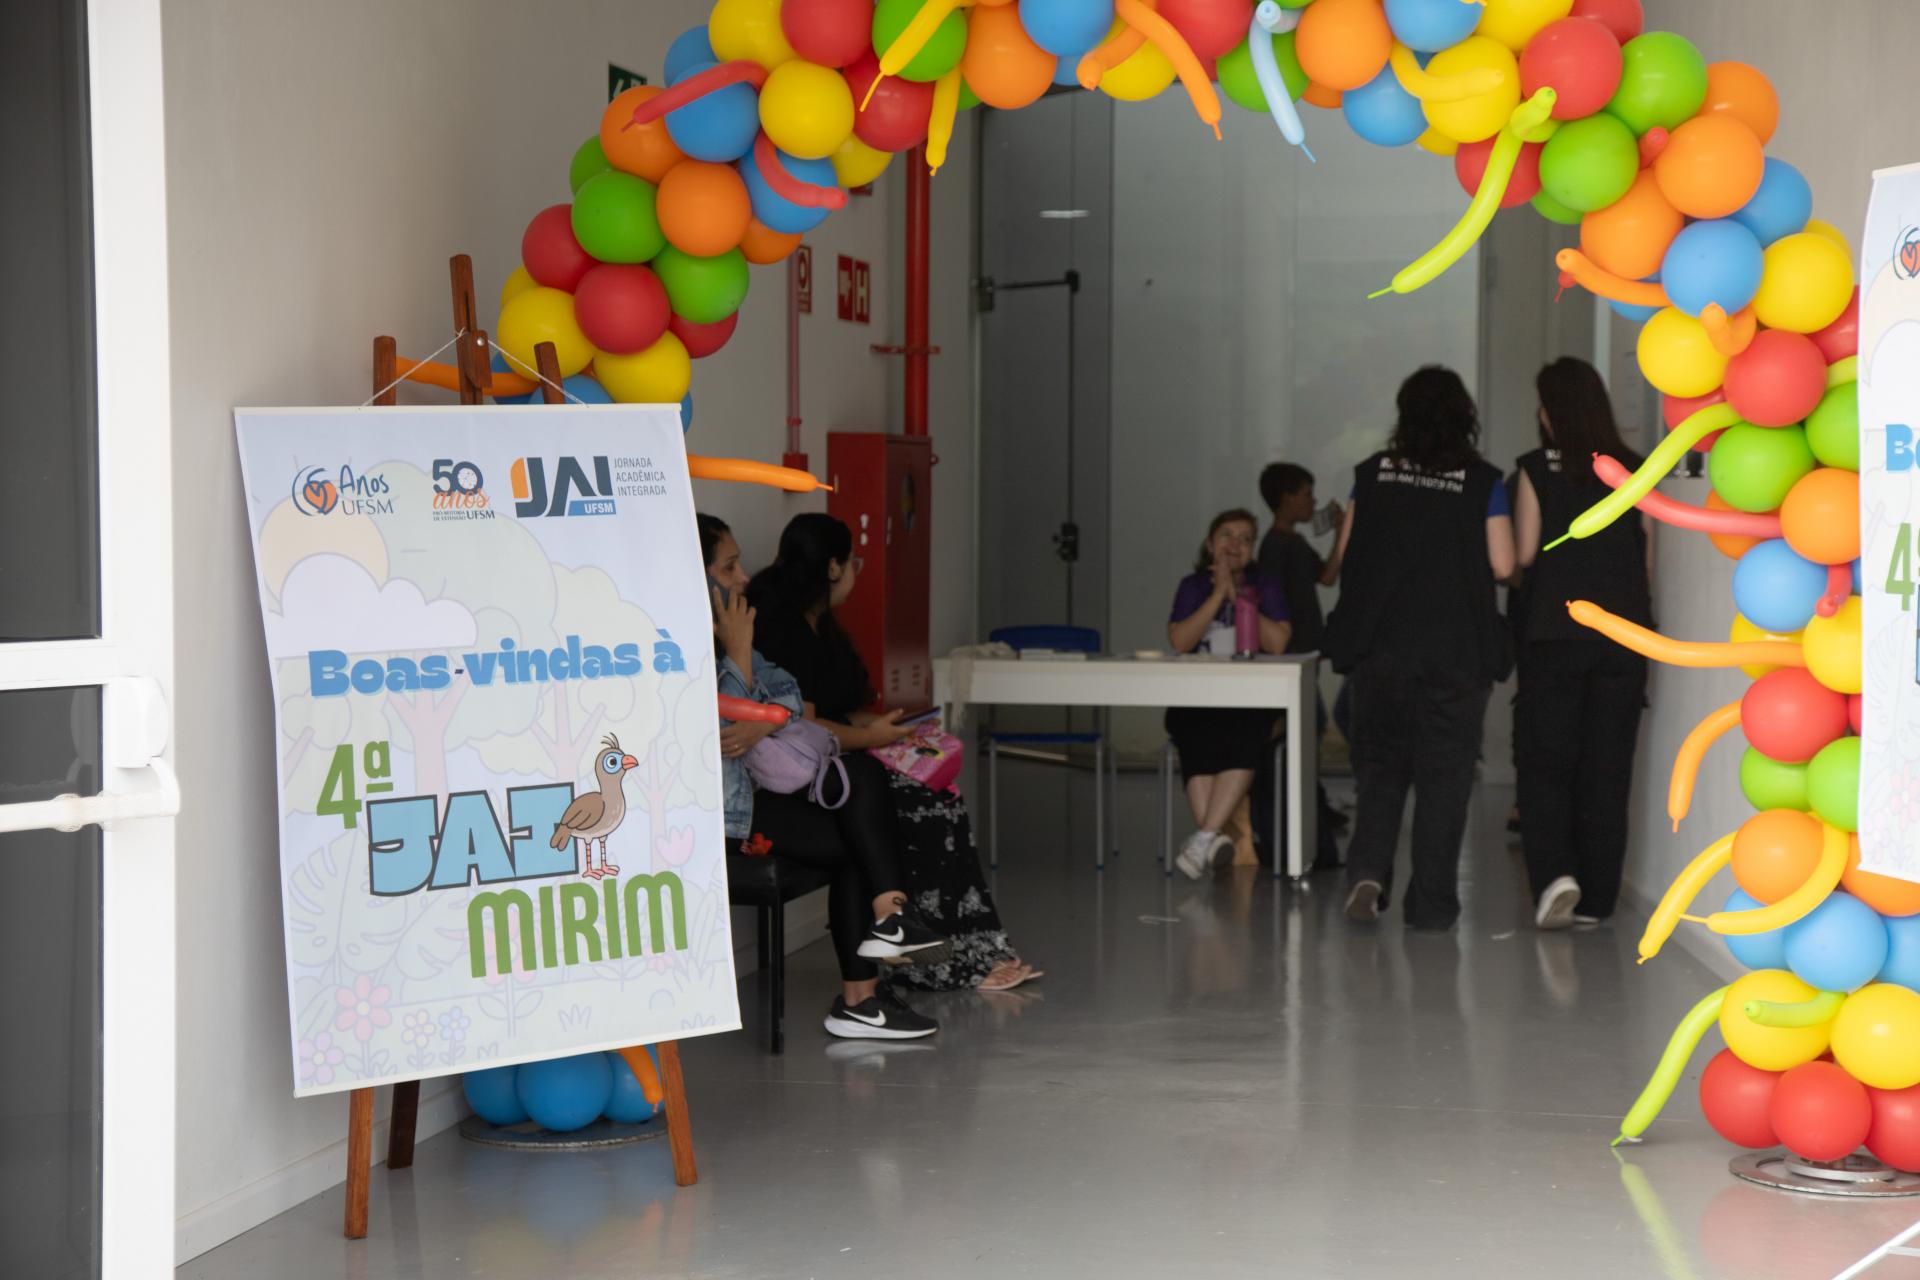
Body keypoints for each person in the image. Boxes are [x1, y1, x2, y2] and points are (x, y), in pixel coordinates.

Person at [746, 513, 1041, 993]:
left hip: (838, 762)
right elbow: (802, 725)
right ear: (834, 567)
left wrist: (895, 731)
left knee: (942, 796)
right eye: (855, 562)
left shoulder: (820, 625)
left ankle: (971, 948)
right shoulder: (780, 628)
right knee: (917, 807)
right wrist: (874, 738)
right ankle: (937, 960)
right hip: (802, 777)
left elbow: (844, 712)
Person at [701, 514, 949, 1041]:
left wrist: (759, 716)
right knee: (858, 835)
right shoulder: (669, 645)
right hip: (725, 813)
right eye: (729, 566)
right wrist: (743, 662)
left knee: (859, 776)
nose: (744, 576)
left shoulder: (731, 631)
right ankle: (863, 992)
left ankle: (889, 918)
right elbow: (720, 731)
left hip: (768, 795)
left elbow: (790, 698)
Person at [1323, 366, 1516, 931]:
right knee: (1445, 781)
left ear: (1404, 416)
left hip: (1381, 651)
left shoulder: (1374, 472)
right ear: (1464, 417)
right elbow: (1503, 564)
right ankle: (1431, 905)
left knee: (1380, 772)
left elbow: (1349, 552)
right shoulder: (1482, 480)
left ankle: (1368, 873)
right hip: (1456, 655)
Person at [1511, 357, 1653, 929]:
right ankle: (1596, 899)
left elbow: (1522, 554)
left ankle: (1555, 880)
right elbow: (1647, 560)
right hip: (1624, 638)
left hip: (1554, 635)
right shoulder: (1637, 468)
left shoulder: (1534, 469)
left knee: (1546, 764)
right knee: (1607, 767)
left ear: (1551, 410)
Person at [1164, 508, 1293, 879]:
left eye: (1244, 538)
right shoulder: (1192, 585)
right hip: (1200, 696)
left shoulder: (1264, 584)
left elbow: (1279, 643)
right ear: (1209, 544)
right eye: (1226, 535)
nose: (1234, 544)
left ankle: (1205, 836)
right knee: (1189, 724)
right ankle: (1209, 838)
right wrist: (1216, 593)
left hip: (1251, 697)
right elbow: (1179, 641)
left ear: (1253, 549)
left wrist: (1236, 597)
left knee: (1244, 727)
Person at [1254, 463, 1345, 871]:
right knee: (1308, 726)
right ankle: (1310, 812)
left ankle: (1315, 808)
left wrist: (1343, 535)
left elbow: (1325, 577)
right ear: (1287, 497)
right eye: (1307, 493)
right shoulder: (1276, 546)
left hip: (1304, 653)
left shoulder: (1292, 542)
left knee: (1312, 725)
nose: (1312, 501)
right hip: (1289, 656)